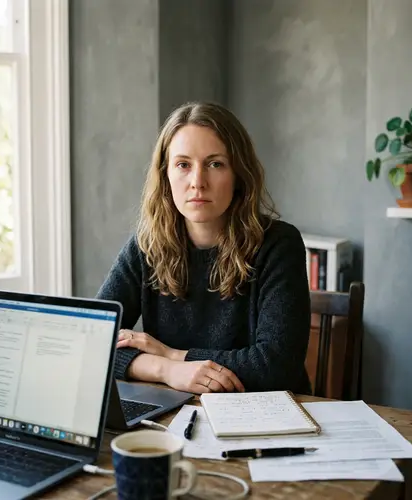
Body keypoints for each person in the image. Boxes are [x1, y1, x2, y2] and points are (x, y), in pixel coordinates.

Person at [96, 101, 311, 395]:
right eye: (183, 165)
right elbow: (96, 340)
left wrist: (175, 355)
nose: (198, 182)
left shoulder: (279, 245)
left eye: (215, 164)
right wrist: (167, 370)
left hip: (264, 417)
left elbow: (276, 366)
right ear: (166, 174)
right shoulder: (146, 246)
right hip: (174, 415)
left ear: (238, 174)